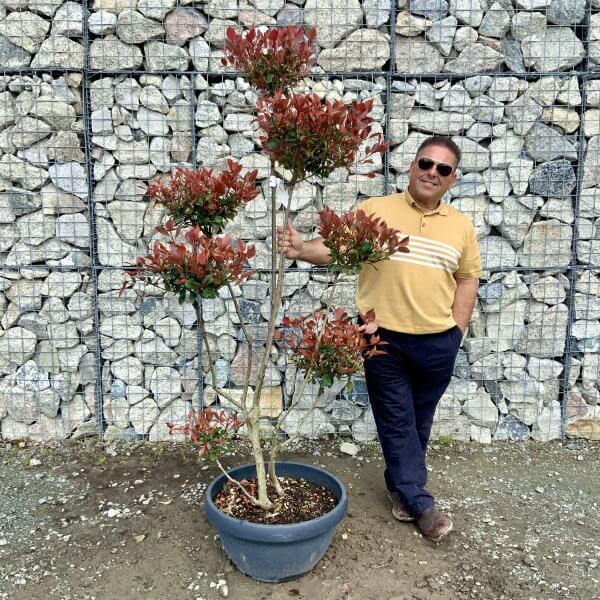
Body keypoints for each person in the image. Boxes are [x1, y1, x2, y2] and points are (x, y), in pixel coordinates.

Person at [277, 136, 481, 542]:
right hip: (381, 339)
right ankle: (421, 505)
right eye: (426, 163)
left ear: (452, 179)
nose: (432, 173)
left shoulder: (460, 225)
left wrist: (456, 332)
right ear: (411, 166)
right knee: (396, 420)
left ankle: (399, 489)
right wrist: (302, 249)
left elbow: (467, 277)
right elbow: (336, 249)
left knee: (418, 422)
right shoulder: (376, 211)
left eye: (442, 169)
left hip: (438, 342)